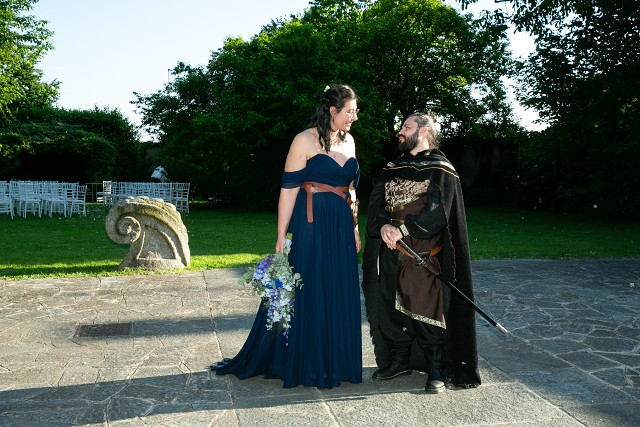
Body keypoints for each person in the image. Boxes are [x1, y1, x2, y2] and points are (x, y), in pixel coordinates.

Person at [211, 84, 362, 388]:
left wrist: (355, 226)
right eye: (350, 111)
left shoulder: (350, 141)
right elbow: (289, 190)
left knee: (337, 287)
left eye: (355, 111)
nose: (355, 117)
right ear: (332, 110)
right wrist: (281, 234)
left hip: (341, 226)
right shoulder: (303, 140)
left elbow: (352, 191)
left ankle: (336, 361)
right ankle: (307, 361)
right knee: (309, 288)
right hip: (311, 223)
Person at [366, 112, 481, 394]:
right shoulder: (392, 167)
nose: (400, 131)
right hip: (389, 249)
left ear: (425, 130)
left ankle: (436, 368)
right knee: (389, 308)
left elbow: (437, 212)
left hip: (422, 252)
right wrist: (383, 227)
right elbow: (377, 204)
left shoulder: (441, 168)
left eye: (406, 126)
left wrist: (404, 230)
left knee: (425, 307)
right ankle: (399, 360)